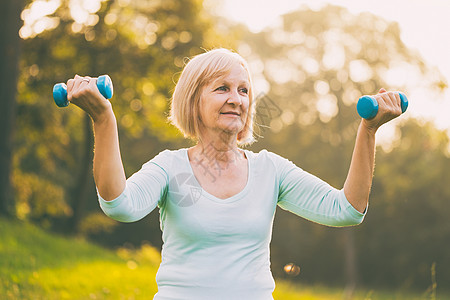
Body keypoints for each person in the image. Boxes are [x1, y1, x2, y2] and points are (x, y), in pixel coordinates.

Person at [66, 48, 403, 299]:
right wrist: (103, 120)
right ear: (194, 100)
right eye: (222, 88)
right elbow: (119, 204)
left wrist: (368, 131)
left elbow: (346, 210)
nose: (237, 99)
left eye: (244, 91)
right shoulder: (172, 169)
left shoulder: (270, 170)